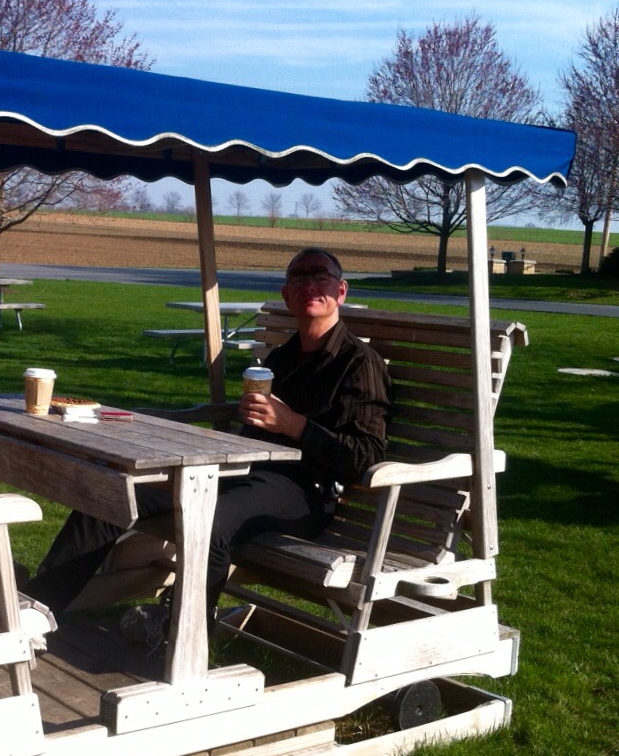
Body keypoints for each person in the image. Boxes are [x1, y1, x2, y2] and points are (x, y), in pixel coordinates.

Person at [23, 247, 392, 637]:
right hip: (246, 474)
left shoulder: (358, 363)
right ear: (286, 295)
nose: (310, 285)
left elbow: (365, 456)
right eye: (298, 277)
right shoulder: (282, 359)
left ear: (341, 291)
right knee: (112, 495)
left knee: (207, 524)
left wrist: (294, 425)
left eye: (320, 276)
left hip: (306, 491)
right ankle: (32, 613)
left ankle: (185, 643)